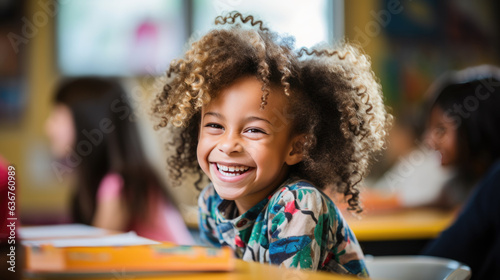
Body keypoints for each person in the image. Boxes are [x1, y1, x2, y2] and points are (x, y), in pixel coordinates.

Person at [151, 12, 391, 276]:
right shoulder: (210, 202)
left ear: (296, 148)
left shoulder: (298, 203)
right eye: (215, 126)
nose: (229, 144)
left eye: (254, 130)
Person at [45, 77, 193, 244]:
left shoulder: (118, 185)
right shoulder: (118, 179)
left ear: (87, 122)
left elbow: (95, 253)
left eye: (57, 116)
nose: (48, 127)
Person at [422, 65, 500, 279]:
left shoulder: (495, 182)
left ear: (475, 126)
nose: (430, 141)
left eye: (441, 129)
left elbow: (433, 263)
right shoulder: (466, 185)